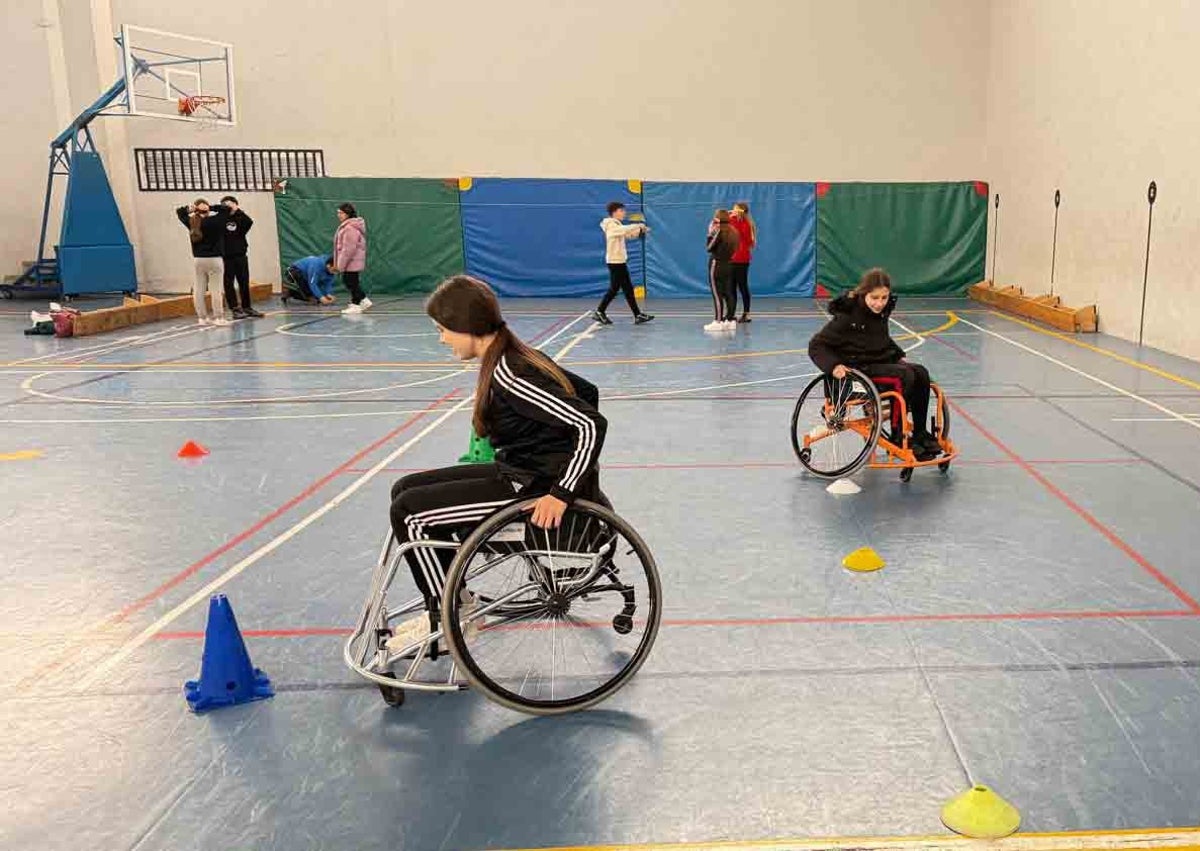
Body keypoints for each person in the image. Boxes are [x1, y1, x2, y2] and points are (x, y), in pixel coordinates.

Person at [388, 275, 608, 646]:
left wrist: (562, 491)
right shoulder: (510, 354)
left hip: (533, 488)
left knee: (411, 513)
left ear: (466, 326)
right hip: (522, 471)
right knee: (404, 489)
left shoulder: (510, 373)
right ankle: (458, 602)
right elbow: (589, 392)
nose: (442, 338)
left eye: (443, 330)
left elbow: (589, 423)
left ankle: (443, 617)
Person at [807, 268, 941, 459]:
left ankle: (920, 433)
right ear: (864, 293)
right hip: (856, 373)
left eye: (884, 298)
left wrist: (897, 357)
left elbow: (880, 342)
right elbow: (816, 345)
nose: (880, 303)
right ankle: (898, 434)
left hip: (875, 365)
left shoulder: (880, 313)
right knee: (904, 377)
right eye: (875, 298)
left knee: (921, 373)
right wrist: (834, 366)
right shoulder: (847, 316)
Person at [592, 201, 654, 326]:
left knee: (626, 289)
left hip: (620, 261)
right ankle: (599, 311)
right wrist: (637, 225)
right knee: (615, 289)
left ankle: (637, 315)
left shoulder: (617, 225)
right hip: (615, 262)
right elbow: (621, 230)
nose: (624, 213)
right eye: (622, 211)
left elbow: (628, 234)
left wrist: (641, 231)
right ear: (614, 212)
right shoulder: (610, 224)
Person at [175, 199, 231, 326]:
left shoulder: (192, 222)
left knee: (199, 289)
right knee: (215, 289)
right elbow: (226, 209)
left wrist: (193, 209)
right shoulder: (215, 221)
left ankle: (202, 318)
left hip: (198, 259)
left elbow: (180, 212)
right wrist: (210, 207)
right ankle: (218, 317)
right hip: (215, 259)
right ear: (206, 210)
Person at [219, 196, 261, 319]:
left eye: (230, 205)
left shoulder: (240, 218)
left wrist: (237, 210)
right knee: (229, 283)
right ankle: (235, 308)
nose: (228, 207)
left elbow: (249, 222)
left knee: (244, 282)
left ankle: (247, 307)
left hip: (240, 255)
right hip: (226, 257)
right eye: (225, 205)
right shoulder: (221, 220)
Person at [333, 202, 373, 314]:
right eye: (338, 213)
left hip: (351, 261)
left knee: (350, 282)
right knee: (351, 282)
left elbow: (348, 249)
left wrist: (340, 265)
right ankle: (363, 300)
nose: (339, 215)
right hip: (351, 261)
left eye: (341, 213)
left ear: (348, 214)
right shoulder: (348, 226)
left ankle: (356, 304)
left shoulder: (349, 228)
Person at [704, 209, 740, 332]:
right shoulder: (734, 231)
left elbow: (709, 248)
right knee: (729, 293)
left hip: (716, 265)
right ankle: (730, 320)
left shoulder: (720, 232)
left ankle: (718, 321)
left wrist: (710, 234)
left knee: (717, 294)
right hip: (729, 264)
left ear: (718, 219)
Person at [729, 201, 757, 323]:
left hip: (741, 260)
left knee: (742, 286)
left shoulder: (746, 224)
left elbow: (749, 241)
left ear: (741, 211)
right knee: (731, 287)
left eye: (735, 209)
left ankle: (746, 313)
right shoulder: (733, 220)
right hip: (732, 258)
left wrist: (731, 218)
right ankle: (731, 313)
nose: (733, 210)